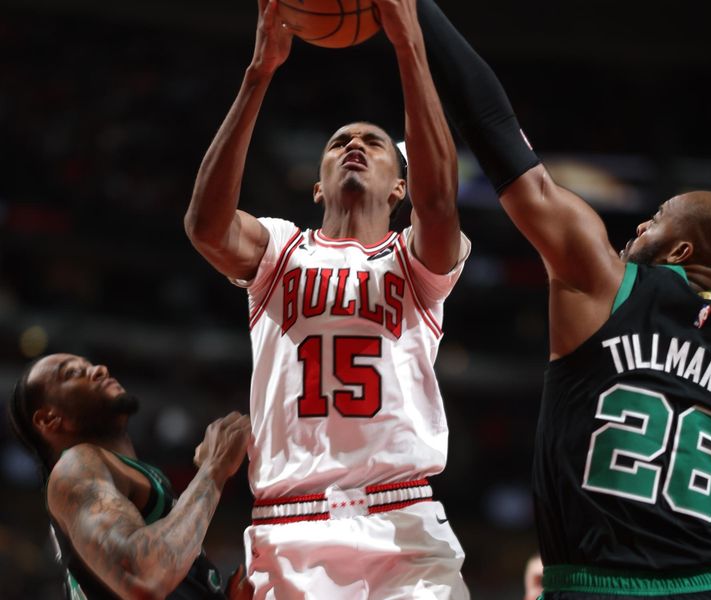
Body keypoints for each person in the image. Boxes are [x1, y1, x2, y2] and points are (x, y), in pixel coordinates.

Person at [415, 1, 711, 598]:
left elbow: (495, 131)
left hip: (595, 586)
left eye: (653, 222)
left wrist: (417, 11)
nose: (637, 229)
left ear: (678, 252)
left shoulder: (603, 284)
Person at [183, 0, 470, 597]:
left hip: (402, 524)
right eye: (340, 141)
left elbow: (440, 204)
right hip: (292, 526)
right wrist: (257, 75)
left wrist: (409, 45)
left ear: (400, 185)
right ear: (317, 186)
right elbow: (207, 228)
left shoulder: (414, 258)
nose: (355, 145)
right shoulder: (280, 250)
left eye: (374, 141)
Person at [6, 352, 253, 600]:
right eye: (72, 373)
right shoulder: (76, 466)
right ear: (49, 418)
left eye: (90, 365)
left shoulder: (124, 474)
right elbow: (139, 577)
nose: (100, 369)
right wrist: (213, 469)